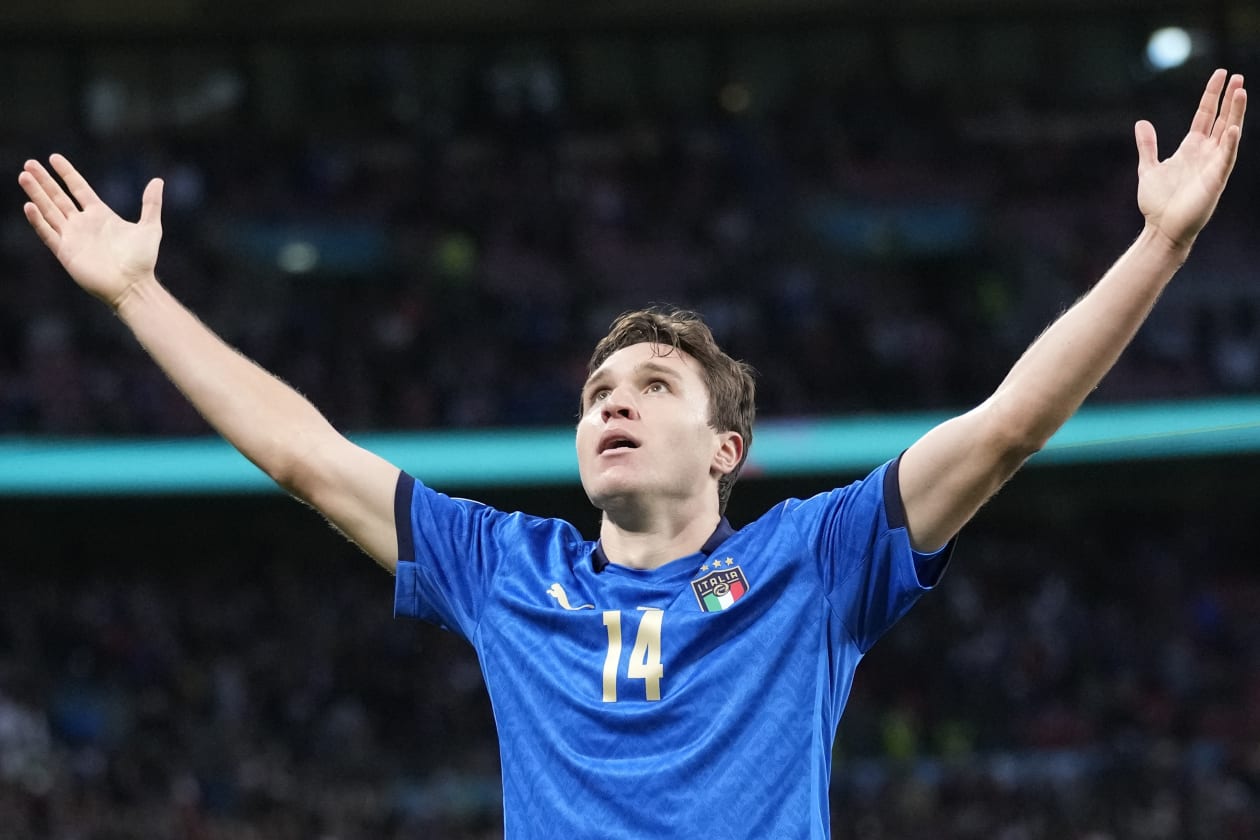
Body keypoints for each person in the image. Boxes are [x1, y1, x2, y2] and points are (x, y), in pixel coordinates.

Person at [17, 69, 1246, 838]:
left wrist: (1159, 248)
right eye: (599, 391)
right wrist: (137, 297)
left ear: (726, 449)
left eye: (654, 387)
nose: (613, 403)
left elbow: (1009, 426)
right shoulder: (506, 567)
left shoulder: (814, 561)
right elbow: (304, 454)